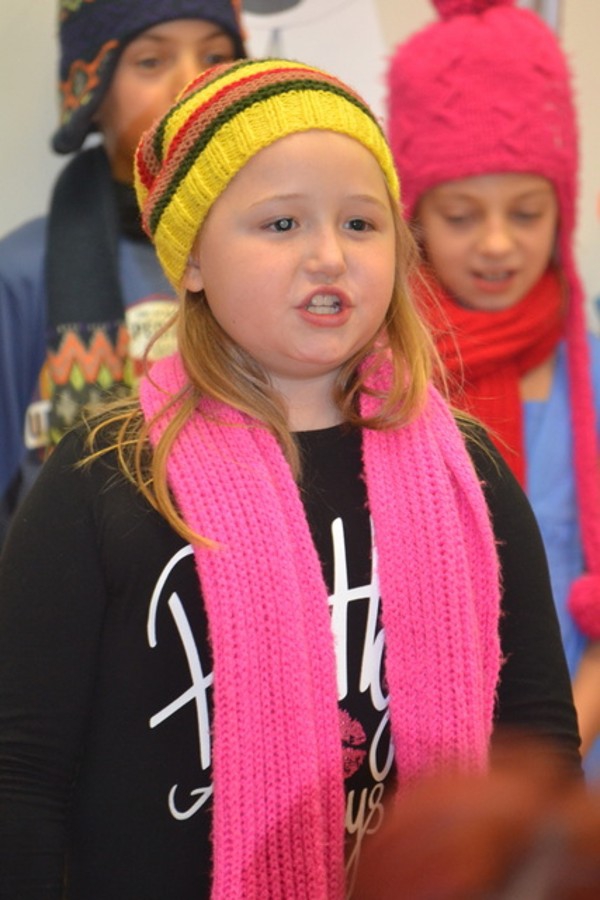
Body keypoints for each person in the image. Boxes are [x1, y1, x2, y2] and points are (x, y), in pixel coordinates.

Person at [0, 58, 581, 899]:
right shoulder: (103, 476)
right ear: (192, 260)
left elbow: (538, 757)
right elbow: (21, 778)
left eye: (360, 223)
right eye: (281, 224)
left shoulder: (470, 473)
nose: (328, 257)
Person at [386, 0, 600, 775]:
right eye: (461, 215)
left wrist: (544, 768)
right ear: (413, 218)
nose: (499, 243)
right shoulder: (379, 383)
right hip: (420, 783)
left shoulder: (591, 373)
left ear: (563, 210)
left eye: (528, 212)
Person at [0, 0, 246, 545]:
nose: (191, 84)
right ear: (89, 94)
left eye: (216, 57)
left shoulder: (273, 259)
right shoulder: (20, 272)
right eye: (151, 61)